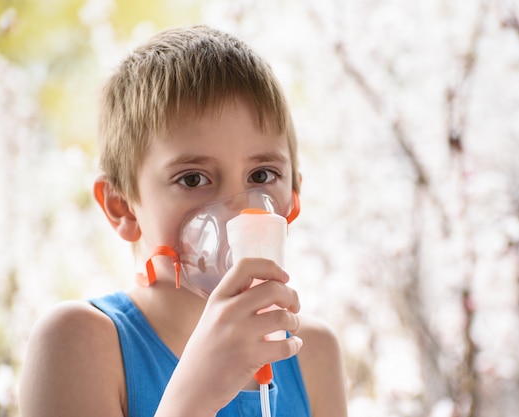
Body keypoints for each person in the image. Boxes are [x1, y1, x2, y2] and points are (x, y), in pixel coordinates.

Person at [19, 25, 348, 417]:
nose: (238, 212)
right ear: (121, 207)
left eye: (261, 176)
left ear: (294, 191)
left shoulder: (312, 355)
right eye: (193, 179)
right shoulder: (77, 344)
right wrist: (193, 397)